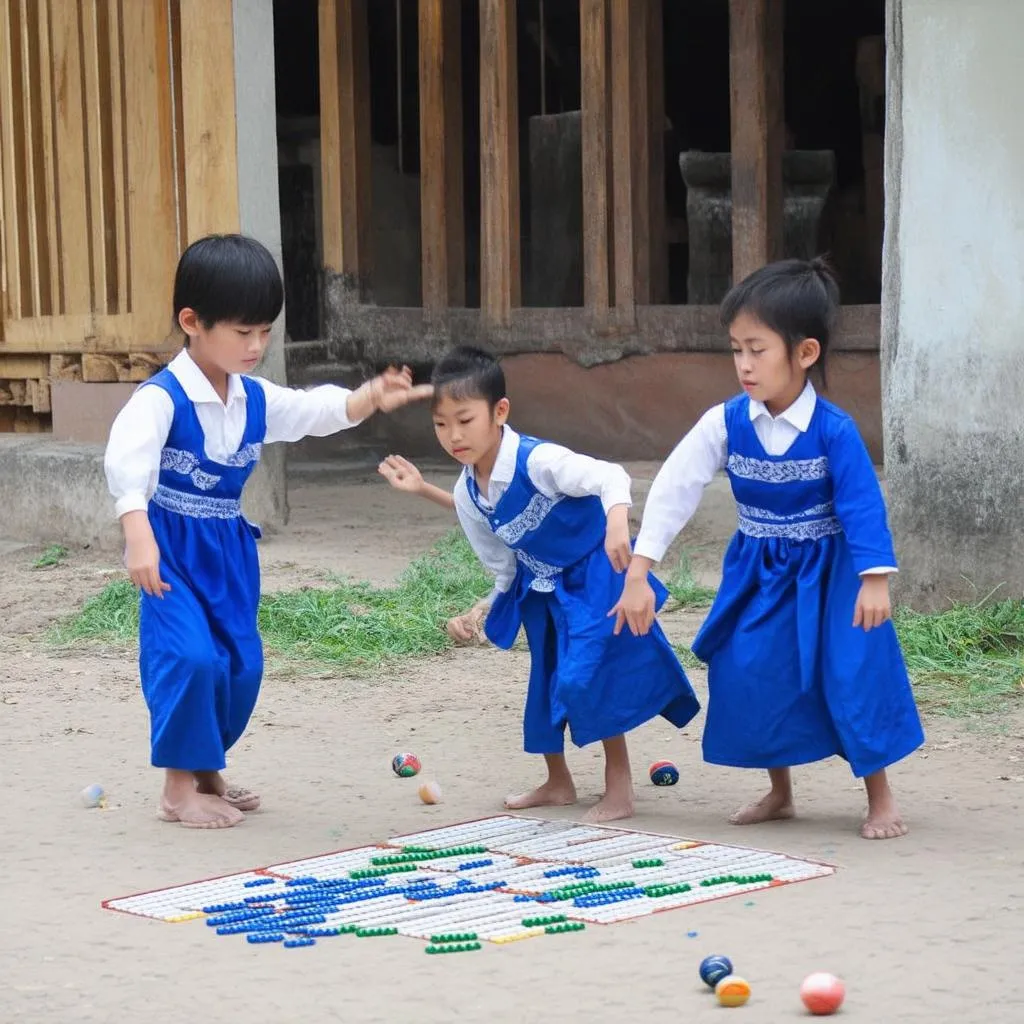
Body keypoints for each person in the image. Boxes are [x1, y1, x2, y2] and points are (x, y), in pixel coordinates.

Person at [104, 233, 431, 828]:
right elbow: (126, 461)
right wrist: (137, 534)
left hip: (229, 553)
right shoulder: (162, 399)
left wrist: (368, 398)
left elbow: (313, 412)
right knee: (189, 657)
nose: (257, 345)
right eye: (242, 332)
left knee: (239, 664)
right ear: (191, 321)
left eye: (265, 331)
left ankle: (207, 770)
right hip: (171, 552)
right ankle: (178, 790)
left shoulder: (252, 397)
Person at [611, 258, 924, 840]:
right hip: (759, 572)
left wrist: (875, 579)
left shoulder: (834, 429)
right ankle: (780, 791)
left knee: (852, 674)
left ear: (805, 352)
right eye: (736, 350)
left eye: (758, 349)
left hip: (833, 578)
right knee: (749, 669)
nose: (745, 365)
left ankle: (879, 796)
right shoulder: (726, 422)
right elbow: (677, 486)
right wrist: (640, 568)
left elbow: (861, 505)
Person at [380, 345, 700, 823]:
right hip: (541, 588)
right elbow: (504, 567)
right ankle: (558, 781)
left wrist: (616, 524)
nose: (453, 436)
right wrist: (480, 609)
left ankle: (620, 788)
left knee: (585, 677)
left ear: (500, 412)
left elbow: (609, 476)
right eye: (441, 424)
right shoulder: (469, 491)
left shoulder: (538, 460)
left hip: (597, 574)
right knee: (546, 682)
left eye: (465, 420)